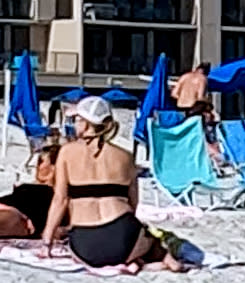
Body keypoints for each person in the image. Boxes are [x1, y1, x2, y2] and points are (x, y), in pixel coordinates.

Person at [46, 95, 175, 270]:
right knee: (149, 240)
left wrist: (48, 239)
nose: (74, 124)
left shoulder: (67, 153)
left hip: (85, 241)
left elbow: (60, 200)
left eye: (77, 119)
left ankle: (137, 260)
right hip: (123, 233)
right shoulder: (125, 156)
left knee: (92, 250)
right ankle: (154, 256)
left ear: (86, 123)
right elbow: (133, 203)